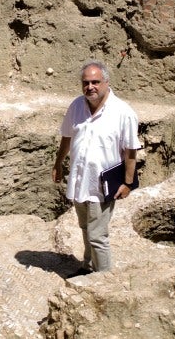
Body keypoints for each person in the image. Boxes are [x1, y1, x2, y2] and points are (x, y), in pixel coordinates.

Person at [52, 60, 141, 275]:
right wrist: (58, 163)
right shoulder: (76, 106)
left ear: (106, 83)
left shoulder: (123, 112)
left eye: (95, 82)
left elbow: (130, 151)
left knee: (98, 236)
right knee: (85, 228)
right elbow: (66, 137)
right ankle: (88, 267)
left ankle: (104, 280)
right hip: (80, 180)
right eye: (86, 82)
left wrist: (128, 183)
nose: (90, 87)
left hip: (102, 185)